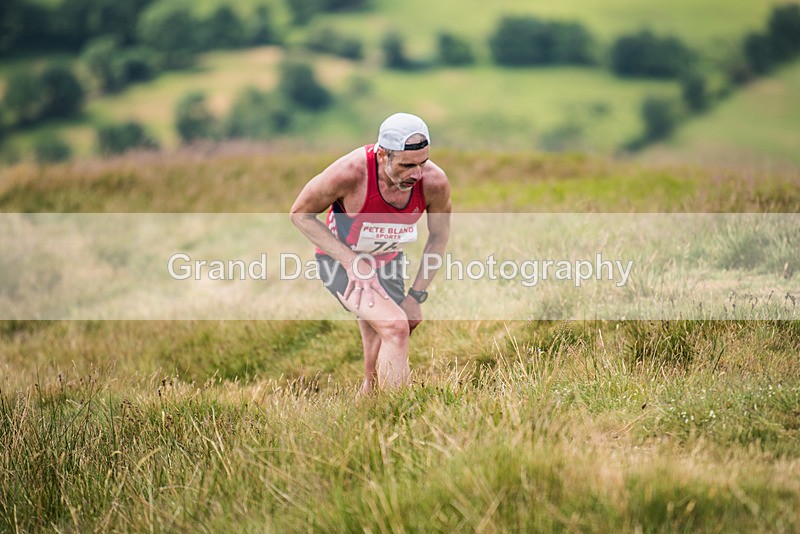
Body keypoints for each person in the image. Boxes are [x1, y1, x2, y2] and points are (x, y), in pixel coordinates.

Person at [290, 113, 451, 395]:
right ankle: (399, 412)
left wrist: (416, 296)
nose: (417, 174)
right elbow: (300, 214)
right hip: (339, 261)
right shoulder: (349, 173)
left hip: (387, 261)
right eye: (407, 165)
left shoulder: (434, 182)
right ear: (381, 155)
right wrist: (351, 262)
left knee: (391, 332)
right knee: (395, 327)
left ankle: (370, 405)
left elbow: (439, 236)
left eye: (422, 163)